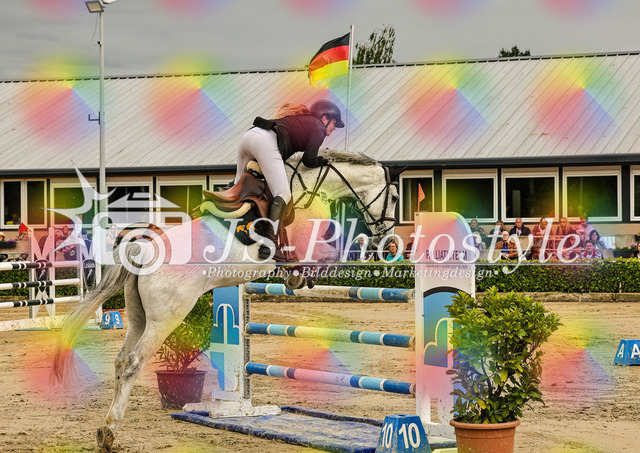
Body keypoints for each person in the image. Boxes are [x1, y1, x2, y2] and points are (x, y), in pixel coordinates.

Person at [233, 100, 344, 261]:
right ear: (325, 118)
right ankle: (269, 246)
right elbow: (309, 160)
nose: (333, 129)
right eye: (334, 124)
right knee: (283, 194)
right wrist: (323, 161)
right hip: (265, 141)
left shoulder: (303, 122)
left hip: (249, 136)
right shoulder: (318, 127)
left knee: (237, 185)